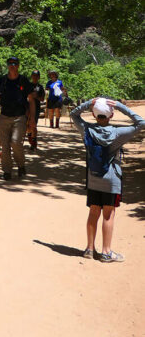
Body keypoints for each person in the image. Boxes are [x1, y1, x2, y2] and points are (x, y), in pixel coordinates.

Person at [70, 97, 145, 262]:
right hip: (111, 179)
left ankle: (89, 249)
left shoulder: (86, 129)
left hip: (93, 178)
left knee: (93, 212)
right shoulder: (118, 133)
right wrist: (119, 106)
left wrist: (88, 103)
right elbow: (141, 123)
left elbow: (74, 114)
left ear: (93, 114)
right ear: (111, 115)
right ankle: (106, 252)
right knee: (108, 215)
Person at [0, 56, 35, 181]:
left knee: (15, 142)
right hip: (3, 117)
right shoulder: (2, 81)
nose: (12, 65)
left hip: (19, 117)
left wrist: (31, 119)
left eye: (15, 63)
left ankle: (21, 165)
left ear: (18, 65)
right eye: (10, 63)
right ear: (7, 65)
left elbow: (31, 100)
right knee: (4, 145)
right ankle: (7, 171)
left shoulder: (23, 80)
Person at [28, 70, 45, 149]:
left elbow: (42, 99)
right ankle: (30, 137)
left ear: (38, 77)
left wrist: (36, 97)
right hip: (27, 108)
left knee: (33, 124)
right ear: (31, 76)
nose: (35, 77)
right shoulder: (27, 85)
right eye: (33, 75)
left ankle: (33, 143)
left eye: (36, 75)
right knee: (27, 125)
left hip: (36, 108)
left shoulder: (40, 87)